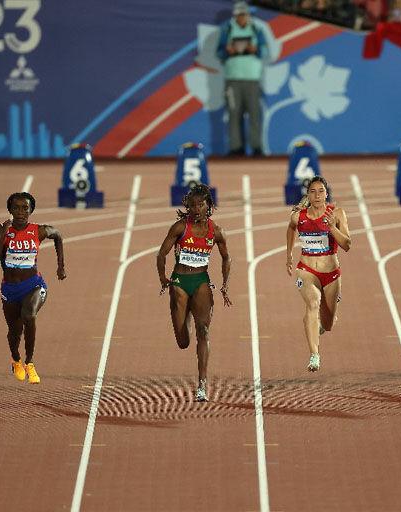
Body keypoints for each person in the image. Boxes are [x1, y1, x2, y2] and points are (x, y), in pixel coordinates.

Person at [157, 184, 232, 402]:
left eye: (201, 204)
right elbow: (161, 254)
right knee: (183, 342)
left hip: (201, 280)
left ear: (209, 206)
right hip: (180, 281)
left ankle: (202, 384)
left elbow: (227, 258)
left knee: (204, 331)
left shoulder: (216, 231)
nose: (197, 208)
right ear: (188, 207)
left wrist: (225, 284)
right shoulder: (180, 227)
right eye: (193, 205)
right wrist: (163, 278)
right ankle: (186, 313)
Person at [0, 192, 66, 384]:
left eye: (25, 208)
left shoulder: (38, 231)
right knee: (14, 331)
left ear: (31, 210)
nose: (21, 212)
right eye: (16, 208)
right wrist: (3, 234)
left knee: (29, 315)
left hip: (34, 284)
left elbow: (58, 235)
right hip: (10, 289)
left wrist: (61, 265)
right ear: (10, 210)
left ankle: (30, 362)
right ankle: (16, 360)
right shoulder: (0, 231)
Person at [286, 177, 351, 371]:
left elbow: (347, 244)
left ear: (326, 194)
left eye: (321, 191)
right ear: (308, 195)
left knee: (329, 324)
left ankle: (320, 323)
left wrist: (331, 228)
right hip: (306, 270)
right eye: (312, 191)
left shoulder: (337, 214)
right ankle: (314, 354)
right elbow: (290, 229)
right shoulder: (299, 216)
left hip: (331, 273)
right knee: (313, 303)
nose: (317, 195)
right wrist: (289, 254)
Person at [216, 1, 267, 157]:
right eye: (239, 15)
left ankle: (257, 147)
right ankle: (236, 148)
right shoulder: (227, 30)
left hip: (252, 79)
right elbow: (219, 53)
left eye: (244, 15)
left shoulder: (256, 30)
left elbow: (264, 51)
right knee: (234, 114)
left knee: (254, 114)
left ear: (248, 15)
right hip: (233, 79)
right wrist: (228, 51)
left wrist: (255, 49)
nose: (241, 18)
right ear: (235, 16)